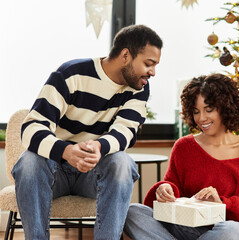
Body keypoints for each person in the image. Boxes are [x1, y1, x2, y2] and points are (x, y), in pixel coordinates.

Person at [11, 24, 162, 240]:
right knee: (28, 161)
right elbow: (32, 127)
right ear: (126, 55)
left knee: (122, 163)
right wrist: (67, 151)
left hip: (93, 175)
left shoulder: (138, 88)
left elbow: (126, 130)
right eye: (149, 64)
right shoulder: (71, 74)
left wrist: (98, 147)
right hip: (55, 172)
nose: (153, 72)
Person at [124, 73, 239, 240]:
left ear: (226, 107)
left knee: (235, 232)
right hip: (181, 228)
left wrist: (222, 203)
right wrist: (166, 189)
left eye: (209, 109)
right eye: (196, 111)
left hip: (220, 231)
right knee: (132, 212)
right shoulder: (184, 147)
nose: (201, 118)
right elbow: (173, 186)